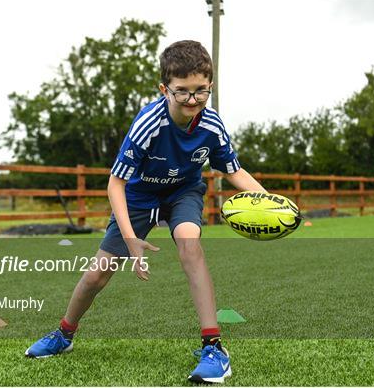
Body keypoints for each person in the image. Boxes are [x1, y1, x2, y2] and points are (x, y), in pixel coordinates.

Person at [25, 40, 266, 384]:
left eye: (201, 91)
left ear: (210, 86)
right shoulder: (149, 123)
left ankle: (213, 347)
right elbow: (115, 184)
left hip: (183, 191)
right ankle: (63, 334)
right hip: (138, 196)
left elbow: (232, 171)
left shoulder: (212, 125)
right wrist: (130, 238)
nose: (192, 100)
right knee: (98, 274)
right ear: (164, 88)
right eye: (182, 91)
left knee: (190, 244)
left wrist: (268, 201)